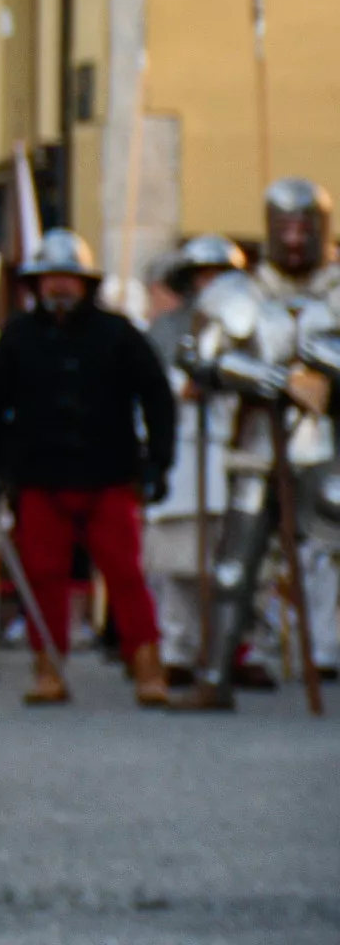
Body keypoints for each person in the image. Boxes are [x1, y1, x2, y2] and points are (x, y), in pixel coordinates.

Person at [0, 229, 174, 707]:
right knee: (44, 576)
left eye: (68, 279)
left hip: (109, 475)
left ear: (85, 284)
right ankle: (48, 669)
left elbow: (157, 398)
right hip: (40, 477)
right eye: (50, 279)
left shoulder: (119, 334)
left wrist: (159, 462)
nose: (59, 288)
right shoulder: (16, 337)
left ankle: (147, 666)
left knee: (125, 573)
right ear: (37, 285)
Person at [174, 182, 340, 708]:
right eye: (284, 227)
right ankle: (216, 675)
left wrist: (326, 361)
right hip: (258, 442)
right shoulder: (235, 293)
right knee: (234, 564)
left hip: (328, 442)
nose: (294, 239)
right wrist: (258, 374)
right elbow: (196, 354)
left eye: (304, 227)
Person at [143, 235, 248, 688]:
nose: (211, 284)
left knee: (240, 561)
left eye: (220, 275)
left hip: (235, 447)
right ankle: (179, 647)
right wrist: (178, 387)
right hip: (185, 449)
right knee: (179, 559)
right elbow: (147, 391)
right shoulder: (167, 329)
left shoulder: (252, 325)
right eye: (203, 276)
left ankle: (239, 649)